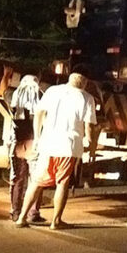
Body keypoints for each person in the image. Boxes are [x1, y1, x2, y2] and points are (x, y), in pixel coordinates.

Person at [15, 72, 97, 230]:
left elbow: (39, 113)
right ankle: (56, 221)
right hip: (68, 146)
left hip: (48, 144)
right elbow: (90, 126)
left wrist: (38, 137)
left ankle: (22, 217)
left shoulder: (53, 91)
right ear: (85, 82)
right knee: (62, 183)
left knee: (36, 182)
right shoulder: (87, 98)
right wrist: (91, 145)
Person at [8, 75, 44, 223]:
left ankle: (15, 212)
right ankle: (33, 212)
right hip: (35, 144)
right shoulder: (41, 98)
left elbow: (3, 90)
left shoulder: (13, 98)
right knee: (36, 180)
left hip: (18, 144)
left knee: (18, 179)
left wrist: (5, 75)